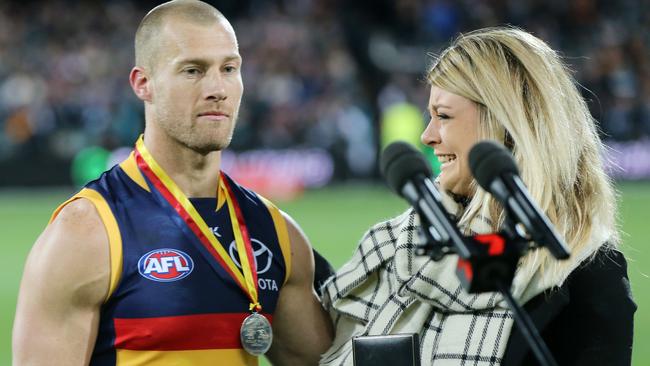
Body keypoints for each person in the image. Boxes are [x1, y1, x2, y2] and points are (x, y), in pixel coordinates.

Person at [12, 1, 333, 365]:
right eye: (193, 70)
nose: (218, 88)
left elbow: (327, 361)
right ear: (143, 84)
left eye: (229, 68)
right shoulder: (85, 233)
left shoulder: (276, 233)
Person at [319, 27, 636, 365]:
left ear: (507, 124)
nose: (427, 136)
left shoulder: (587, 275)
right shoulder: (396, 246)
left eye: (443, 116)